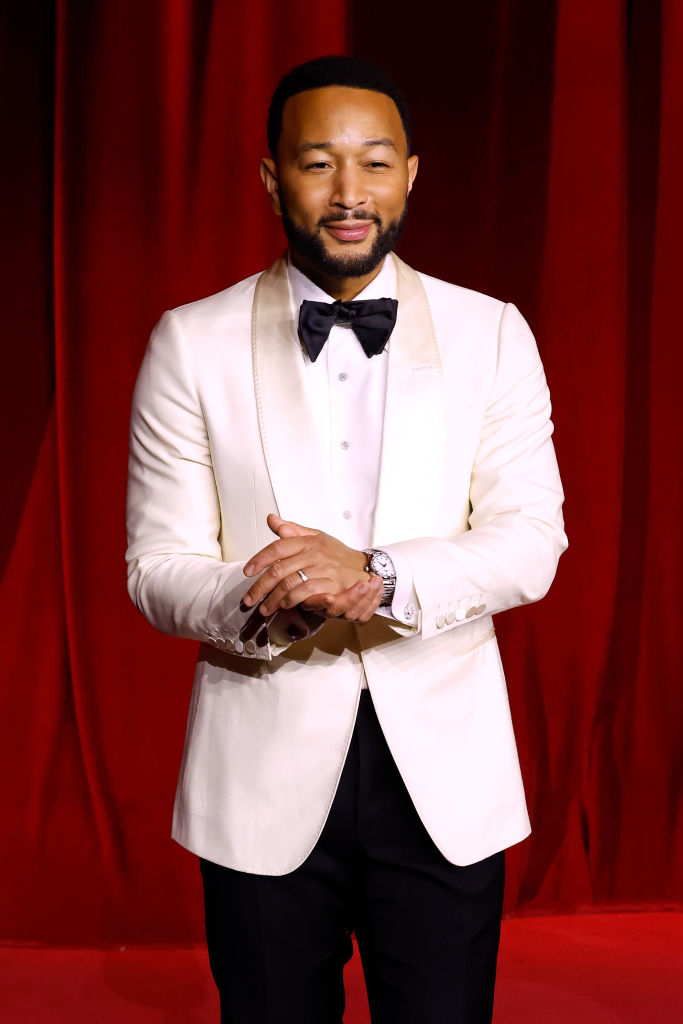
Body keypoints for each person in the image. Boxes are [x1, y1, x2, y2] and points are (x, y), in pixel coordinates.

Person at [126, 55, 567, 1024]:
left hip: (443, 776)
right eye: (318, 163)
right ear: (270, 176)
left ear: (411, 172)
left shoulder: (490, 332)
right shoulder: (187, 341)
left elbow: (530, 538)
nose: (347, 191)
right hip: (260, 769)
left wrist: (374, 574)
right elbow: (156, 568)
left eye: (372, 162)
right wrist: (269, 588)